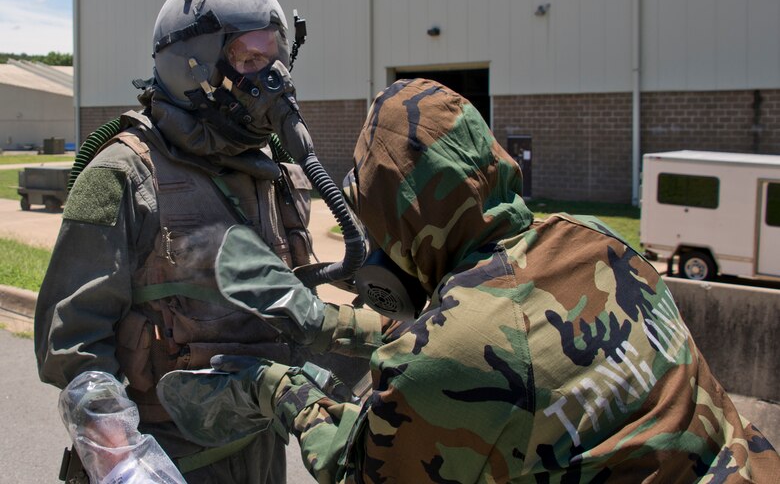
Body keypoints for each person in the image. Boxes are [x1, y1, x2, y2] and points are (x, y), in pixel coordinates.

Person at [157, 78, 780, 483]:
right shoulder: (599, 240)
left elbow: (358, 468)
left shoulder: (446, 357)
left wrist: (284, 390)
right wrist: (330, 322)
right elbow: (496, 334)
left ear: (403, 219)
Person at [34, 0, 383, 483]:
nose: (273, 79)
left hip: (261, 453)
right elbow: (72, 346)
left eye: (274, 58)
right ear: (192, 66)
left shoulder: (270, 170)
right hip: (170, 461)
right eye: (247, 60)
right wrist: (123, 463)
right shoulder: (124, 174)